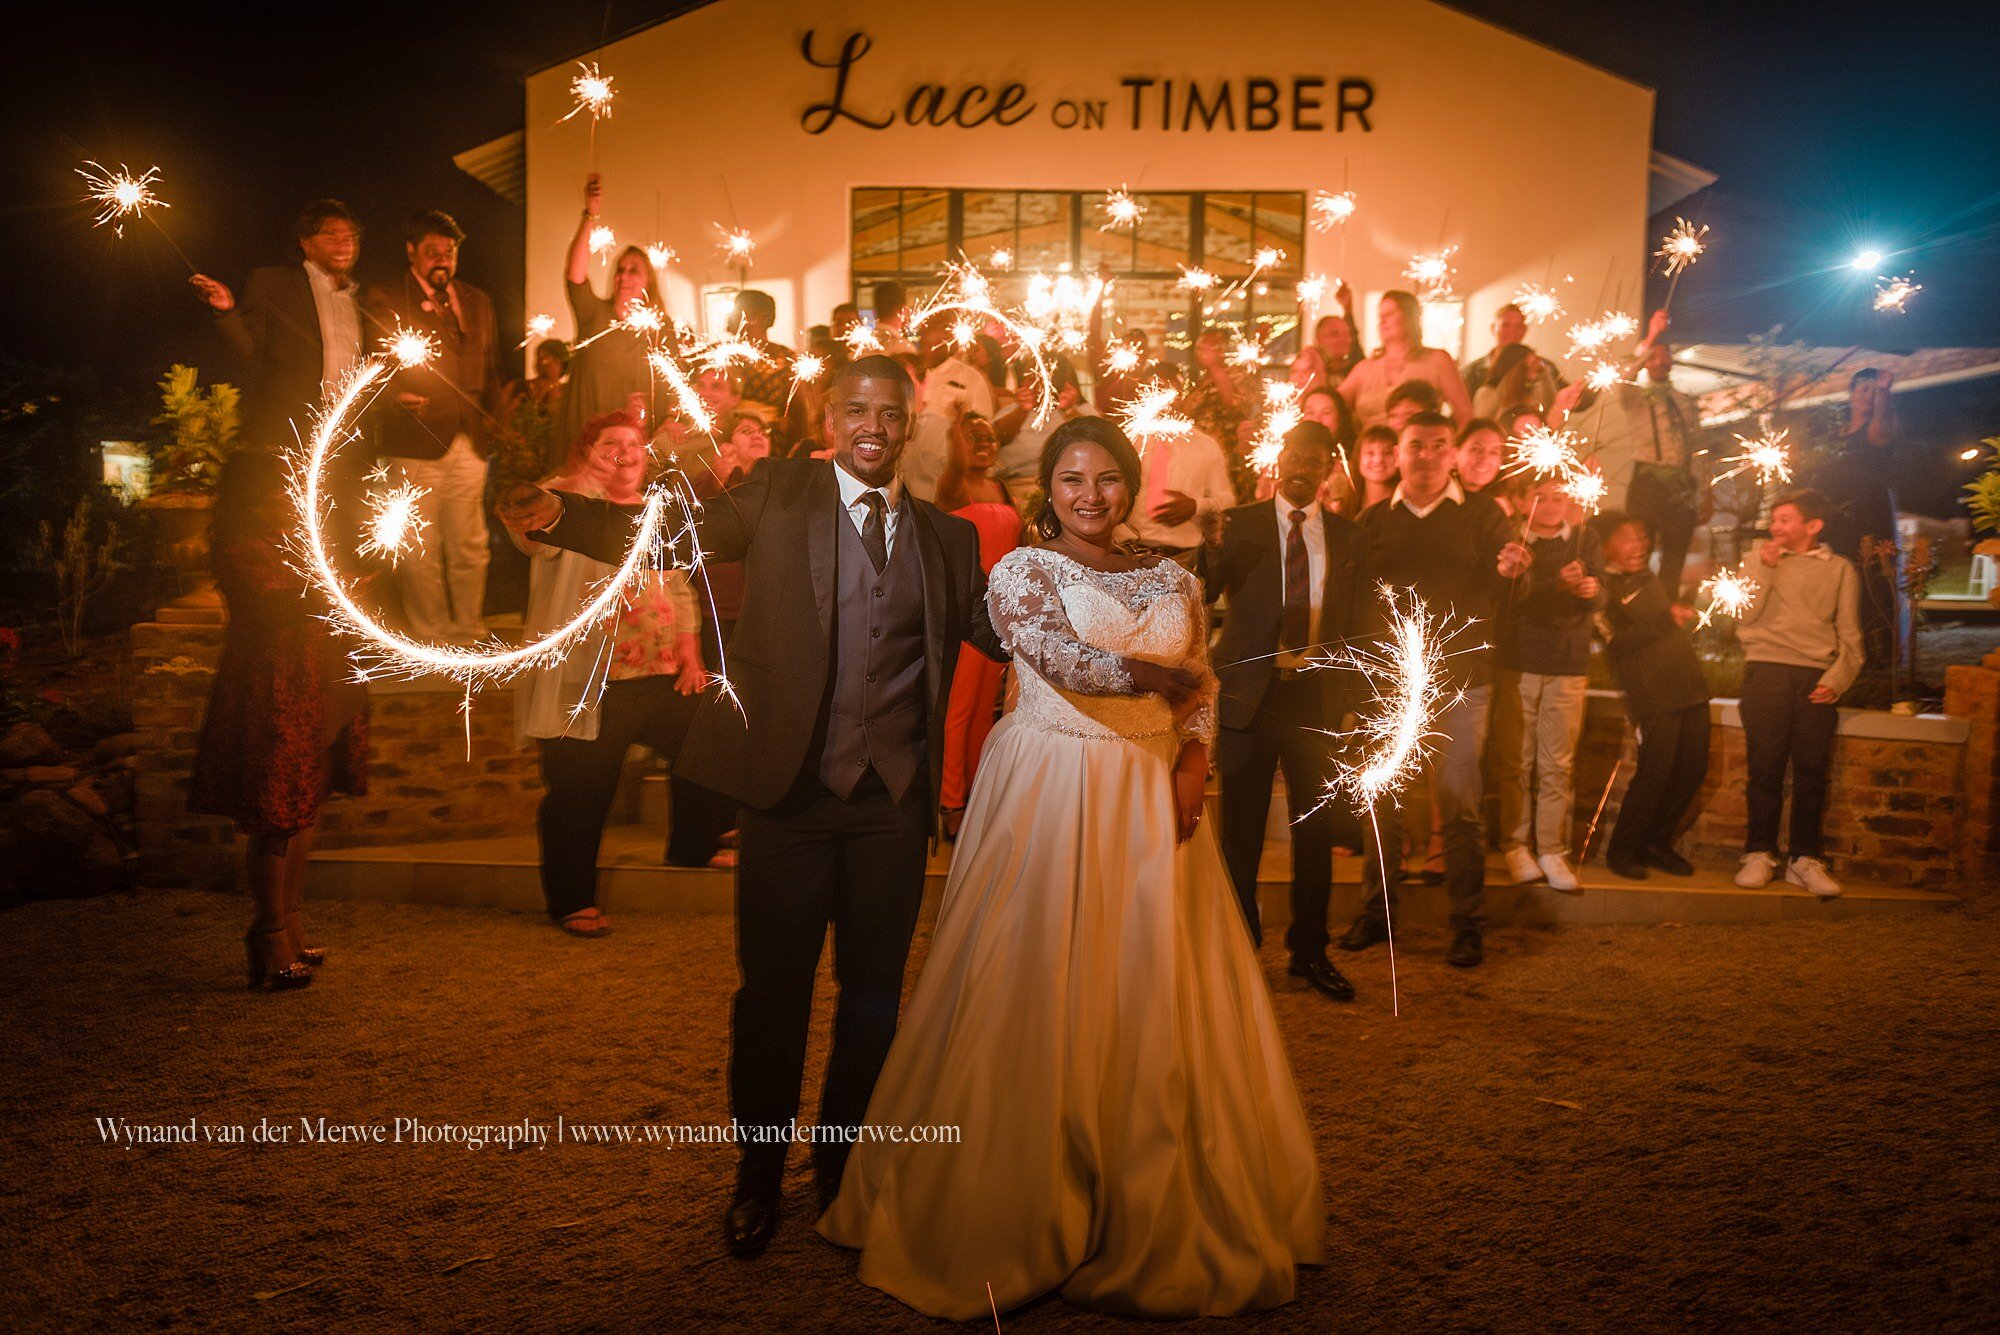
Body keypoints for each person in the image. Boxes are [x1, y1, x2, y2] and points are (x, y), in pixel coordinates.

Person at [497, 354, 1005, 1259]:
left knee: (875, 1001)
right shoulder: (775, 493)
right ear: (830, 416)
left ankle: (842, 1172)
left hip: (890, 803)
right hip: (786, 795)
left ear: (913, 421)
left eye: (892, 412)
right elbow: (666, 535)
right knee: (771, 998)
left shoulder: (948, 539)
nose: (874, 427)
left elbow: (995, 630)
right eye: (857, 409)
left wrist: (1109, 596)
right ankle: (758, 1179)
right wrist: (559, 513)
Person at [818, 417, 1324, 1320]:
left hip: (1154, 793)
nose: (1090, 494)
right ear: (1046, 488)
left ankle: (1151, 1194)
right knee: (1039, 981)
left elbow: (1199, 675)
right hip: (1053, 785)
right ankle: (1019, 1200)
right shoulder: (1021, 569)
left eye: (1107, 478)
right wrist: (1151, 679)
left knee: (1154, 987)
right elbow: (1054, 655)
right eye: (1071, 479)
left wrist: (1195, 758)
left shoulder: (1174, 574)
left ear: (1131, 484)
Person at [1342, 413, 1531, 968]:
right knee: (1381, 804)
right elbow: (1355, 604)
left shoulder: (1483, 517)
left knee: (1459, 805)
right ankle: (1377, 914)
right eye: (1415, 445)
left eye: (1438, 446)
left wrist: (1518, 569)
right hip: (1389, 683)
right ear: (1398, 453)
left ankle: (1468, 923)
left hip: (1459, 684)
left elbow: (1512, 589)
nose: (1426, 455)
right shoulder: (1373, 520)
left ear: (1453, 455)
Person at [510, 411, 708, 936]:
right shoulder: (566, 505)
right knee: (581, 789)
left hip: (659, 671)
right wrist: (576, 482)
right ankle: (571, 899)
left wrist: (690, 652)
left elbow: (680, 585)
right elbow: (531, 533)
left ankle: (694, 845)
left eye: (633, 443)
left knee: (710, 747)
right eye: (610, 443)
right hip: (588, 683)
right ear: (584, 452)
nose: (625, 451)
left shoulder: (658, 512)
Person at [189, 450, 369, 991]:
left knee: (306, 808)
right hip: (275, 691)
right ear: (247, 497)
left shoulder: (304, 537)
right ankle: (268, 935)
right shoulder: (239, 547)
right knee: (278, 815)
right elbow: (280, 606)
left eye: (285, 489)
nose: (282, 499)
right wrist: (340, 580)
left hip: (321, 683)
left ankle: (289, 922)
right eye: (269, 491)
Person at [1205, 421, 1370, 998]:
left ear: (1329, 468)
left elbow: (1361, 626)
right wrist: (1207, 549)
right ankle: (1236, 951)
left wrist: (1353, 702)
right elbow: (1200, 591)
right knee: (1241, 835)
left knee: (1315, 831)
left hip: (1315, 696)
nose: (1301, 465)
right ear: (1278, 459)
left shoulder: (1350, 537)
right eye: (1293, 454)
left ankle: (1309, 951)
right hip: (1250, 694)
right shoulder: (1240, 525)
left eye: (1315, 458)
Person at [364, 209, 502, 645]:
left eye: (449, 252)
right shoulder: (387, 296)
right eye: (432, 252)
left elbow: (492, 365)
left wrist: (496, 422)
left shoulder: (476, 300)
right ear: (412, 253)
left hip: (470, 438)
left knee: (470, 543)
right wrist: (393, 398)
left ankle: (468, 628)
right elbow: (372, 363)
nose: (441, 259)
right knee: (420, 545)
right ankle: (430, 635)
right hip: (415, 435)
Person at [1730, 489, 1864, 899]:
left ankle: (1804, 858)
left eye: (1785, 519)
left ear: (1813, 525)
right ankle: (1759, 852)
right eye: (1775, 519)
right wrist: (1765, 570)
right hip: (1765, 672)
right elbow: (1743, 614)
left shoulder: (1839, 569)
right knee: (1764, 769)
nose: (1776, 526)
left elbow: (1850, 635)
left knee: (1810, 773)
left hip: (1814, 679)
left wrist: (1836, 679)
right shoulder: (1756, 560)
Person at [1497, 473, 1605, 893]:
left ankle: (1552, 849)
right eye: (1540, 497)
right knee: (1516, 761)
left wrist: (1592, 590)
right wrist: (1554, 586)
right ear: (1524, 502)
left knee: (1558, 763)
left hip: (1569, 663)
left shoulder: (1585, 538)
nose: (1552, 504)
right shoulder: (1513, 542)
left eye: (1560, 496)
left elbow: (1602, 594)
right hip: (1520, 661)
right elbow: (1509, 600)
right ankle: (1515, 844)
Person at [192, 200, 367, 448]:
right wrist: (226, 311)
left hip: (348, 430)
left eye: (350, 237)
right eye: (331, 236)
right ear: (306, 242)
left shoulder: (360, 298)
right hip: (290, 429)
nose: (344, 245)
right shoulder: (274, 283)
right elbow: (249, 351)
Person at [1597, 513, 1711, 881]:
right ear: (1606, 545)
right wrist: (1667, 618)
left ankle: (1657, 844)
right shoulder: (1600, 589)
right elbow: (1615, 642)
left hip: (1688, 686)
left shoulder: (1649, 577)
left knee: (1691, 772)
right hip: (1652, 694)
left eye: (1643, 537)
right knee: (1655, 774)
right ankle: (1623, 850)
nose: (1641, 544)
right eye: (1630, 537)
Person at [933, 412, 1022, 838]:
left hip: (1001, 611)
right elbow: (953, 463)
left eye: (989, 437)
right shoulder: (954, 484)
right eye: (974, 437)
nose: (984, 444)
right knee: (959, 708)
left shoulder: (1001, 488)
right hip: (968, 609)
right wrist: (956, 429)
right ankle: (950, 801)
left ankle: (976, 792)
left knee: (986, 710)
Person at [1578, 309, 1708, 598]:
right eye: (1654, 356)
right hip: (1647, 479)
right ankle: (1635, 606)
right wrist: (1652, 335)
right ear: (1647, 361)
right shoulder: (1635, 397)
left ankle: (1666, 613)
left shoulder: (1684, 401)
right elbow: (1625, 375)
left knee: (1675, 555)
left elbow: (1697, 447)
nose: (1661, 361)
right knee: (1639, 547)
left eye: (1665, 356)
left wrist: (1704, 489)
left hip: (1682, 481)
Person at [558, 174, 667, 462]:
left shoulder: (658, 331)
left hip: (625, 448)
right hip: (582, 438)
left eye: (634, 270)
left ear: (648, 283)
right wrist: (590, 215)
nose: (624, 276)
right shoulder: (594, 315)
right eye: (620, 269)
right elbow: (575, 274)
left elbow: (671, 388)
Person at [1817, 367, 1903, 673]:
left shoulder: (1878, 430)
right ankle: (1841, 658)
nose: (1868, 395)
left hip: (1871, 518)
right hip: (1838, 521)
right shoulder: (1834, 436)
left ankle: (1879, 664)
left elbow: (1882, 422)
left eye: (1873, 390)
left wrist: (1884, 390)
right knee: (1842, 585)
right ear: (1851, 395)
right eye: (1863, 390)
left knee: (1872, 583)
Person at [1337, 290, 1475, 428]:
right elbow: (1332, 404)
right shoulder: (1364, 369)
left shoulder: (1438, 361)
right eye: (1380, 316)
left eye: (1389, 314)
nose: (1383, 321)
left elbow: (1464, 414)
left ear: (1409, 316)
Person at [899, 312, 995, 502]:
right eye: (928, 329)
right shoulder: (907, 369)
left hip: (948, 471)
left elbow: (983, 426)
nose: (931, 338)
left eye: (942, 329)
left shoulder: (969, 377)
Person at [1127, 421, 1236, 567]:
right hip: (1127, 555)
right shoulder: (1128, 440)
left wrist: (1196, 506)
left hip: (1184, 559)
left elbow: (1227, 500)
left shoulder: (1206, 445)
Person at [1462, 303, 1562, 417]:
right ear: (1493, 328)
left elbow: (1564, 402)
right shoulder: (1472, 372)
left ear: (1524, 330)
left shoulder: (1543, 366)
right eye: (1506, 325)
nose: (1513, 331)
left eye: (1519, 326)